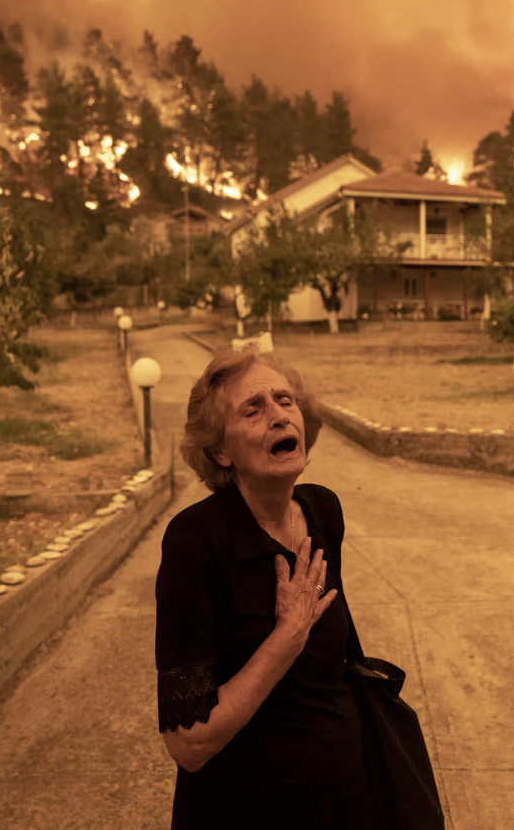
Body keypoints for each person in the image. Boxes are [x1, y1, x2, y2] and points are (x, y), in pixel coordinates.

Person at [156, 344, 374, 829]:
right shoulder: (196, 541)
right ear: (219, 449)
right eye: (253, 410)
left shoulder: (322, 510)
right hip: (247, 809)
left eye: (285, 400)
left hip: (346, 799)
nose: (278, 416)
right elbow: (187, 743)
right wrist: (286, 638)